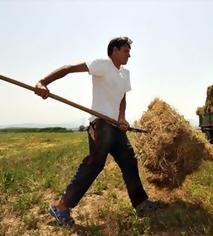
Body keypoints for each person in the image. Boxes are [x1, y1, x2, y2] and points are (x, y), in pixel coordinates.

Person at [35, 36, 159, 226]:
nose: (129, 55)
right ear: (115, 50)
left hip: (116, 127)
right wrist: (43, 82)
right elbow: (69, 68)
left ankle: (141, 204)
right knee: (94, 164)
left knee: (129, 161)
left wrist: (122, 118)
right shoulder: (102, 64)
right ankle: (61, 207)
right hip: (100, 124)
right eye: (126, 50)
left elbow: (122, 98)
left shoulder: (125, 73)